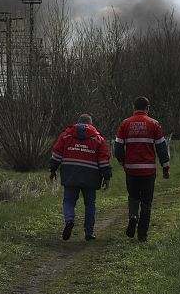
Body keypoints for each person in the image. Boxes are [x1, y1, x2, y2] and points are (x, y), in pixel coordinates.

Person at [49, 114, 112, 242]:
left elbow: (57, 154)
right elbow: (103, 160)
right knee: (90, 204)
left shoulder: (66, 135)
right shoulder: (98, 139)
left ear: (78, 122)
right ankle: (89, 232)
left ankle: (69, 220)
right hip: (91, 176)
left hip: (70, 173)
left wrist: (53, 169)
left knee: (68, 201)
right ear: (91, 124)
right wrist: (106, 177)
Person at [114, 97, 170, 243]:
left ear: (134, 107)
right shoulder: (154, 124)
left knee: (133, 197)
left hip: (131, 169)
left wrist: (122, 161)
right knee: (146, 202)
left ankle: (133, 216)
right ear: (148, 107)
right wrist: (166, 167)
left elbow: (118, 146)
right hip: (148, 171)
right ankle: (142, 235)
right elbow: (162, 149)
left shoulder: (125, 123)